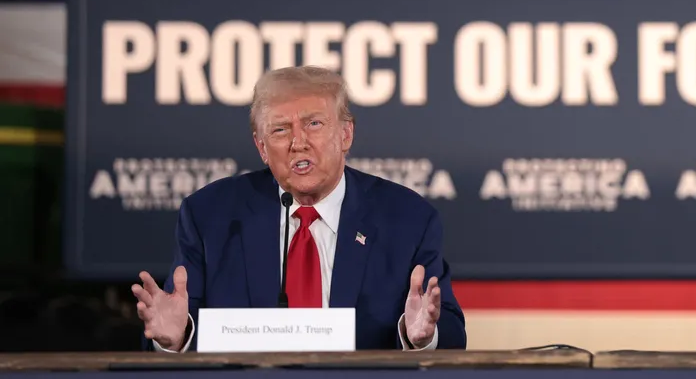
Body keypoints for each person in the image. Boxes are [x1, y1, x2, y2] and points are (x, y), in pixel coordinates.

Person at [130, 65, 466, 351]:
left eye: (314, 124)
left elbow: (451, 332)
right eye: (280, 130)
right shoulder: (210, 216)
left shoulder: (407, 219)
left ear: (346, 134)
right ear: (261, 147)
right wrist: (178, 338)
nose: (298, 142)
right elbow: (175, 325)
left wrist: (420, 336)